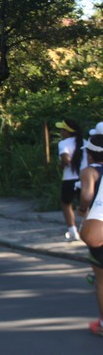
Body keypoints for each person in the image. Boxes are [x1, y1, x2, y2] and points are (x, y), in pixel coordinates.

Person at [78, 125, 103, 336]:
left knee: (101, 281)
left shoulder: (89, 171)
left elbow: (86, 196)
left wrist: (81, 209)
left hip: (97, 226)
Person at [56, 118, 84, 241]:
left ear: (68, 131)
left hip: (69, 178)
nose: (61, 132)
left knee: (66, 204)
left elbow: (66, 160)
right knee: (86, 205)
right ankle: (86, 228)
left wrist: (61, 164)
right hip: (84, 178)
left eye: (62, 129)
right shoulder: (84, 142)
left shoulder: (63, 143)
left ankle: (73, 231)